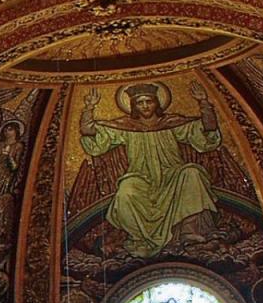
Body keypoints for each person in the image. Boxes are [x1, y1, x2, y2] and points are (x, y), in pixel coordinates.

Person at [80, 82, 222, 258]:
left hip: (172, 175)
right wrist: (89, 108)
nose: (145, 106)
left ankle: (189, 232)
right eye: (140, 103)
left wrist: (204, 103)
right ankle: (140, 238)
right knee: (126, 191)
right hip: (141, 178)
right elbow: (90, 134)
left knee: (192, 173)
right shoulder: (126, 126)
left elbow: (207, 131)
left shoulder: (171, 123)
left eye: (149, 101)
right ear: (134, 106)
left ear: (157, 103)